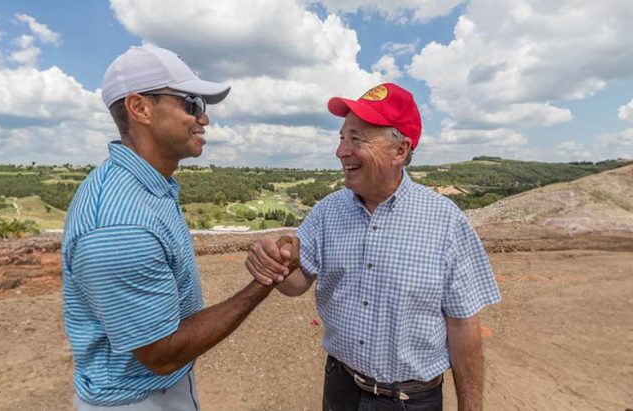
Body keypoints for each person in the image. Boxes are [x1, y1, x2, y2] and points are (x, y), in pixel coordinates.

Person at [246, 83, 501, 411]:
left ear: (400, 151)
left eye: (357, 139)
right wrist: (275, 263)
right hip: (341, 388)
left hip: (411, 401)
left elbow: (463, 324)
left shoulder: (446, 222)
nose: (341, 151)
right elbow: (297, 284)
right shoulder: (328, 211)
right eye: (341, 138)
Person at [62, 45, 278, 410]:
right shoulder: (121, 226)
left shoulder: (145, 188)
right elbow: (161, 354)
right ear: (140, 108)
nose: (203, 118)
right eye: (191, 104)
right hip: (137, 399)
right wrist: (262, 284)